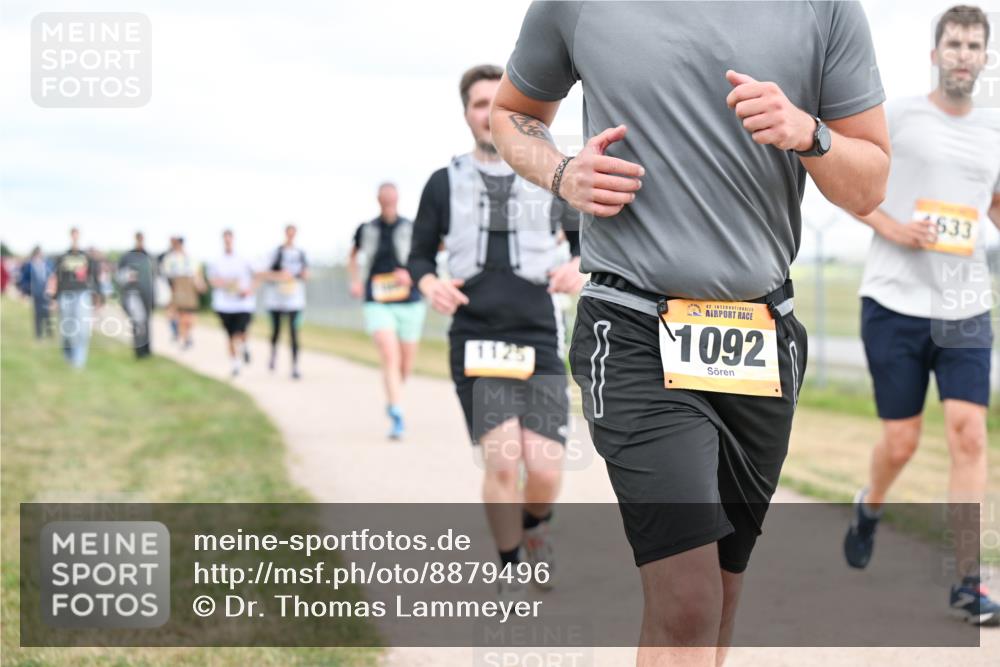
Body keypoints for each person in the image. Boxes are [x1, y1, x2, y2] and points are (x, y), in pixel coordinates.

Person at [492, 2, 889, 663]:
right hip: (633, 326)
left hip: (761, 337)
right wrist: (561, 173)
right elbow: (511, 113)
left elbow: (868, 185)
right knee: (688, 598)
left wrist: (808, 133)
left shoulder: (827, 9)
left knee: (719, 600)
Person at [842, 5, 1000, 627]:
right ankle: (871, 503)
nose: (963, 54)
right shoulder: (901, 116)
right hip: (894, 302)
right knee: (902, 441)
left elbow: (992, 205)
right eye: (953, 43)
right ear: (935, 54)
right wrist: (892, 225)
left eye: (974, 45)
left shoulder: (994, 128)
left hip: (965, 304)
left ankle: (967, 580)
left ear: (986, 58)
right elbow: (851, 184)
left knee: (968, 434)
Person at [408, 64, 585, 599]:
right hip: (477, 337)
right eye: (479, 103)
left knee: (546, 469)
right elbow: (417, 255)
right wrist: (427, 283)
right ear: (467, 114)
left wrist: (578, 265)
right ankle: (511, 570)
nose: (488, 112)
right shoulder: (444, 182)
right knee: (504, 457)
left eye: (496, 102)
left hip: (540, 335)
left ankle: (535, 529)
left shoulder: (552, 173)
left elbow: (584, 243)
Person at [348, 183, 426, 439]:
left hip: (409, 299)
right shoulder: (366, 228)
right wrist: (356, 280)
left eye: (392, 198)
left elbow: (424, 256)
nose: (388, 203)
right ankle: (396, 412)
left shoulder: (410, 227)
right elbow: (353, 255)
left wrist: (411, 274)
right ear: (378, 200)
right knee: (389, 354)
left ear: (398, 199)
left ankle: (395, 396)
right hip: (378, 298)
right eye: (384, 199)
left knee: (404, 365)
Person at [259, 224, 309, 379]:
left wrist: (301, 275)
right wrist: (280, 275)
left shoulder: (301, 253)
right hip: (276, 299)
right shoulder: (276, 252)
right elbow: (263, 273)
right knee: (276, 331)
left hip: (295, 299)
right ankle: (273, 355)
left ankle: (294, 366)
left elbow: (306, 274)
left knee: (294, 333)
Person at [48, 228, 99, 368]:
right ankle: (68, 355)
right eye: (73, 235)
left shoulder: (86, 257)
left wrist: (97, 298)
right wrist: (54, 298)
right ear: (71, 236)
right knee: (67, 329)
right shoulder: (63, 257)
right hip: (66, 295)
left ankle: (78, 361)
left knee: (82, 328)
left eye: (77, 235)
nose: (75, 238)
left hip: (82, 294)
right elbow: (56, 278)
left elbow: (94, 279)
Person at [208, 229, 257, 377]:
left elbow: (258, 275)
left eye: (230, 239)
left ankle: (244, 346)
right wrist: (224, 284)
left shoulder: (244, 259)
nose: (228, 242)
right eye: (225, 239)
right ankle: (235, 363)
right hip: (225, 305)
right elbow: (212, 280)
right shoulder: (216, 261)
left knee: (240, 332)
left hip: (242, 304)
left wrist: (249, 290)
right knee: (230, 336)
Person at [117, 232, 156, 358]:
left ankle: (147, 350)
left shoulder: (149, 256)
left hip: (148, 294)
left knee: (147, 322)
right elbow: (120, 276)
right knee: (137, 322)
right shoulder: (128, 257)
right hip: (133, 294)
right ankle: (139, 350)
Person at [161, 237, 204, 349]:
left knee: (187, 315)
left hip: (187, 287)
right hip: (175, 287)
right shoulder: (169, 258)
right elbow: (166, 276)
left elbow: (196, 273)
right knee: (174, 314)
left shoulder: (189, 258)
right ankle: (181, 334)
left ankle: (185, 336)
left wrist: (199, 284)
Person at [18, 246, 53, 340]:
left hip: (46, 292)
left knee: (47, 313)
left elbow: (51, 276)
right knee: (37, 314)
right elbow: (24, 279)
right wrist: (25, 291)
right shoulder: (29, 265)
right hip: (35, 292)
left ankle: (49, 332)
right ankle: (39, 334)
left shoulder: (47, 264)